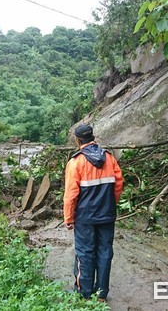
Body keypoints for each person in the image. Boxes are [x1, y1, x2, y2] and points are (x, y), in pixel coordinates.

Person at [63, 124, 123, 302]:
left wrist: (68, 217)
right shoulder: (109, 158)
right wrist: (110, 205)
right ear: (92, 137)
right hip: (106, 214)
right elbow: (118, 184)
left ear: (77, 140)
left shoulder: (75, 162)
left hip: (84, 217)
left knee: (85, 252)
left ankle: (84, 293)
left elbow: (71, 194)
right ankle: (102, 294)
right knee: (105, 251)